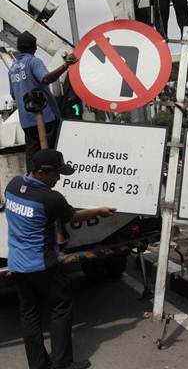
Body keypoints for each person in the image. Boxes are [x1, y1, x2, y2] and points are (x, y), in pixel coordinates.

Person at [4, 149, 116, 369]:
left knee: (30, 314)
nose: (59, 178)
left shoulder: (13, 186)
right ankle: (62, 364)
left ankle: (37, 365)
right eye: (56, 173)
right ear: (41, 172)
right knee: (61, 307)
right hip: (42, 264)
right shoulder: (50, 198)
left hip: (17, 264)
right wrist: (98, 211)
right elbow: (73, 217)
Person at [8, 32, 78, 173]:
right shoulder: (33, 61)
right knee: (50, 155)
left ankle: (31, 183)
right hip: (46, 118)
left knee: (33, 157)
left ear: (19, 48)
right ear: (34, 47)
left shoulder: (12, 69)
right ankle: (50, 181)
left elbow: (13, 95)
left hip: (26, 121)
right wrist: (65, 66)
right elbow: (45, 79)